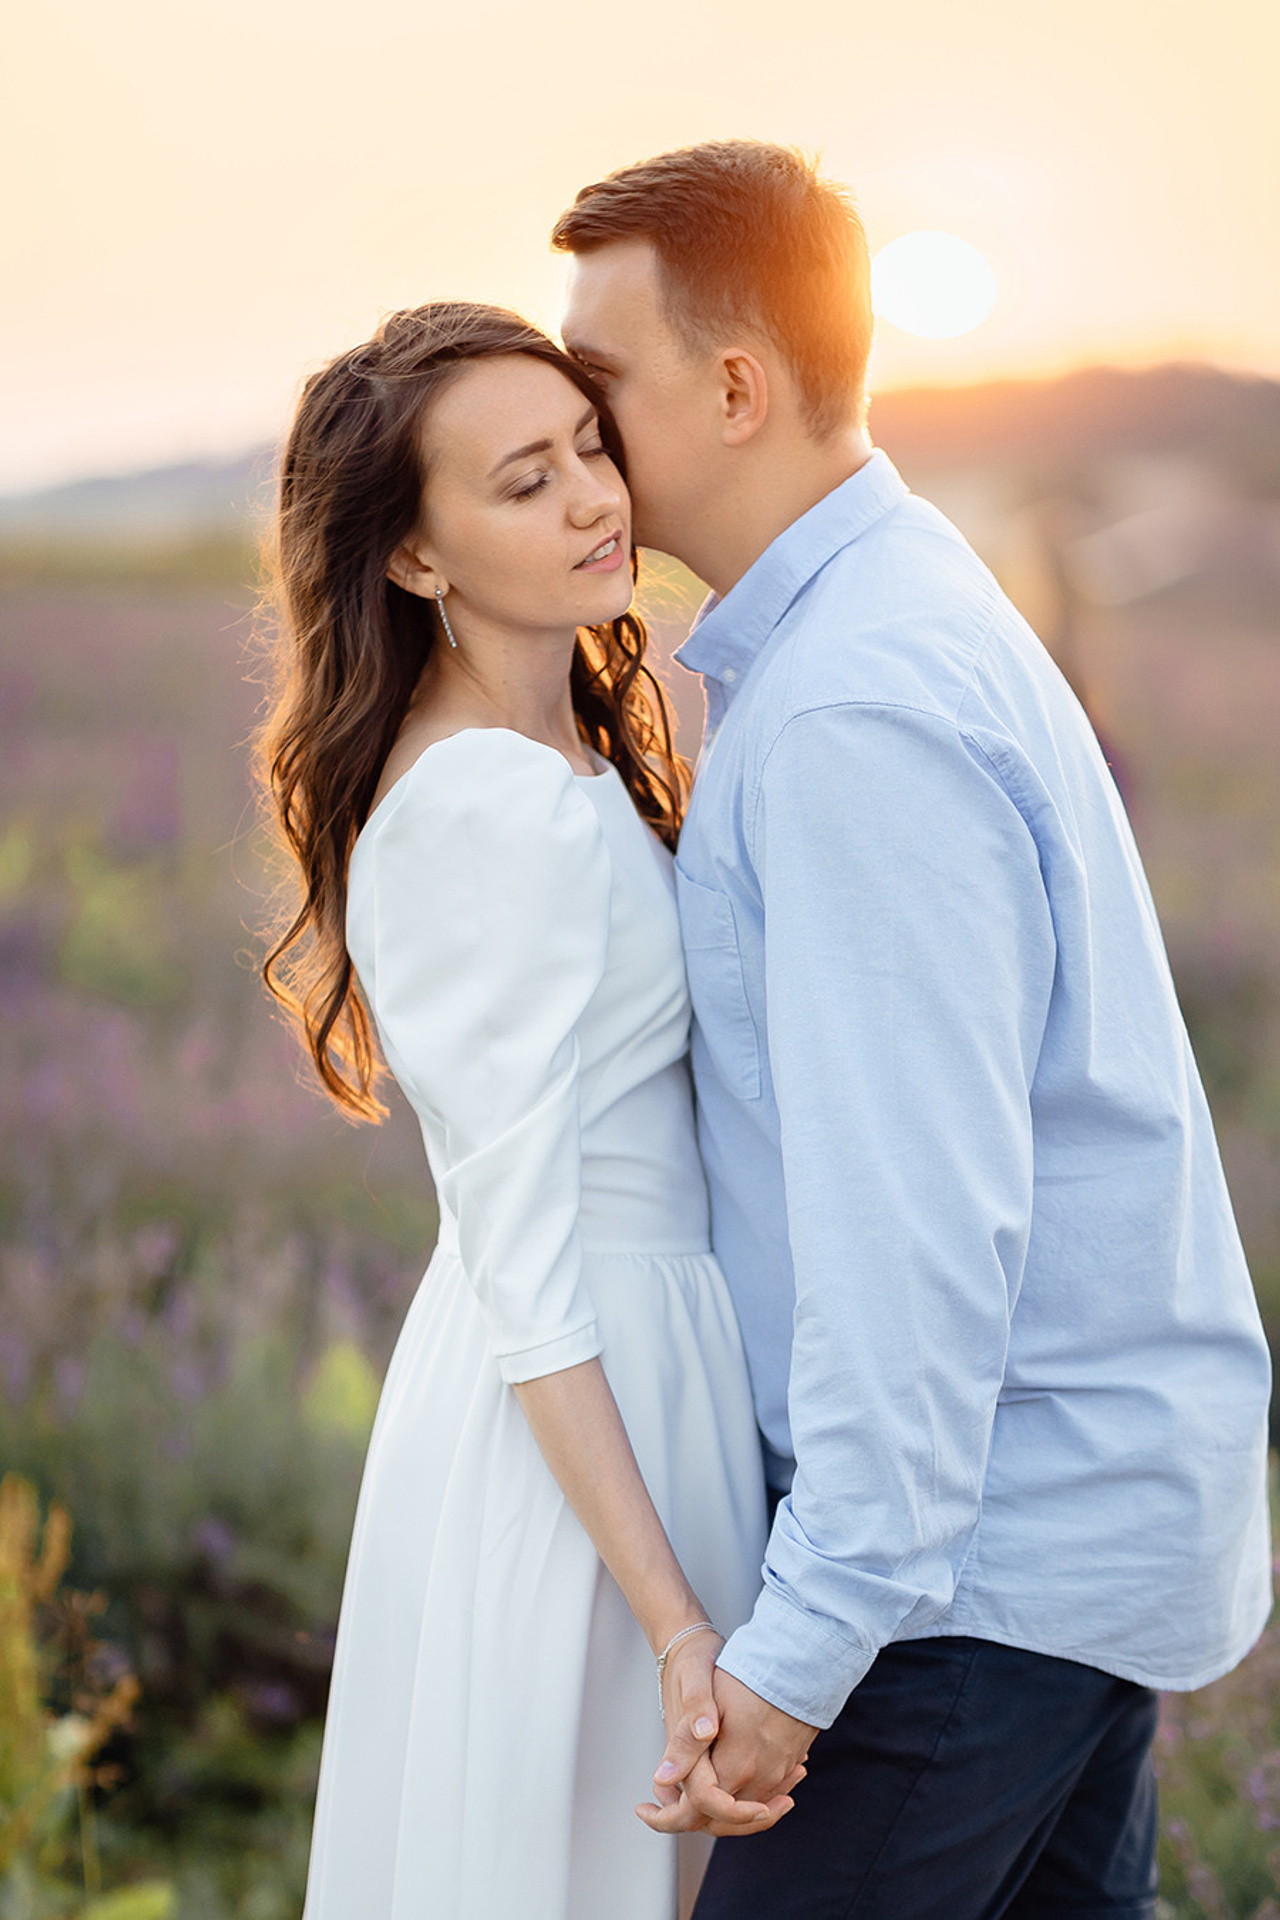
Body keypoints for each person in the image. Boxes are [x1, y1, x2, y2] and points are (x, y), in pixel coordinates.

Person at [553, 140, 1273, 1918]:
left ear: (734, 387)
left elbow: (920, 1230)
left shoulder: (852, 709)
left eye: (598, 383)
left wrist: (801, 1653)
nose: (573, 436)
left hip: (957, 1585)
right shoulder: (874, 624)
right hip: (1037, 1542)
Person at [256, 302, 778, 1920]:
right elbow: (525, 1261)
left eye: (591, 450)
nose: (594, 500)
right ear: (416, 559)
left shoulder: (563, 752)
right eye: (524, 481)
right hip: (584, 1417)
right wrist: (675, 1621)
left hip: (652, 1371)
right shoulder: (476, 802)